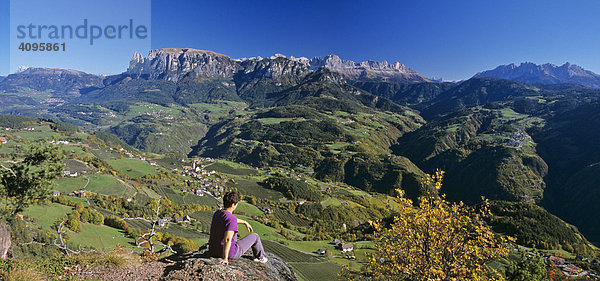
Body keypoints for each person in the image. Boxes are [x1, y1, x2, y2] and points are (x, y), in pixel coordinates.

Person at [209, 191, 268, 265]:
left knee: (234, 235)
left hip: (213, 251)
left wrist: (244, 222)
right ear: (233, 205)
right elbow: (227, 239)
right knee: (255, 236)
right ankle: (260, 257)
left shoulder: (217, 213)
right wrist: (225, 258)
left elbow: (228, 220)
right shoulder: (231, 219)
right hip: (231, 253)